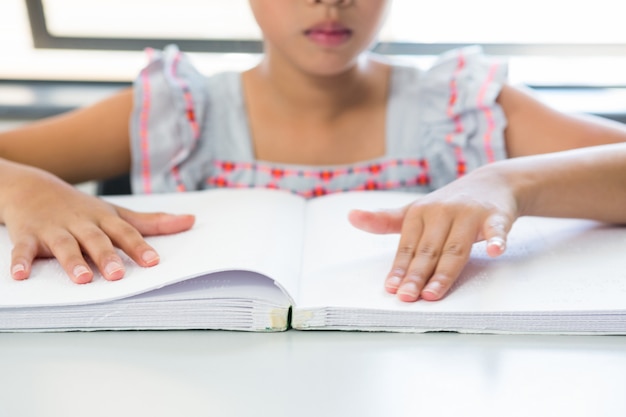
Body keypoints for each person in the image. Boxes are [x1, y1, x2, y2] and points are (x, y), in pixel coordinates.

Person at [1, 0, 625, 301]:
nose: (331, 1)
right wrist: (24, 188)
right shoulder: (174, 110)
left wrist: (508, 183)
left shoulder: (461, 105)